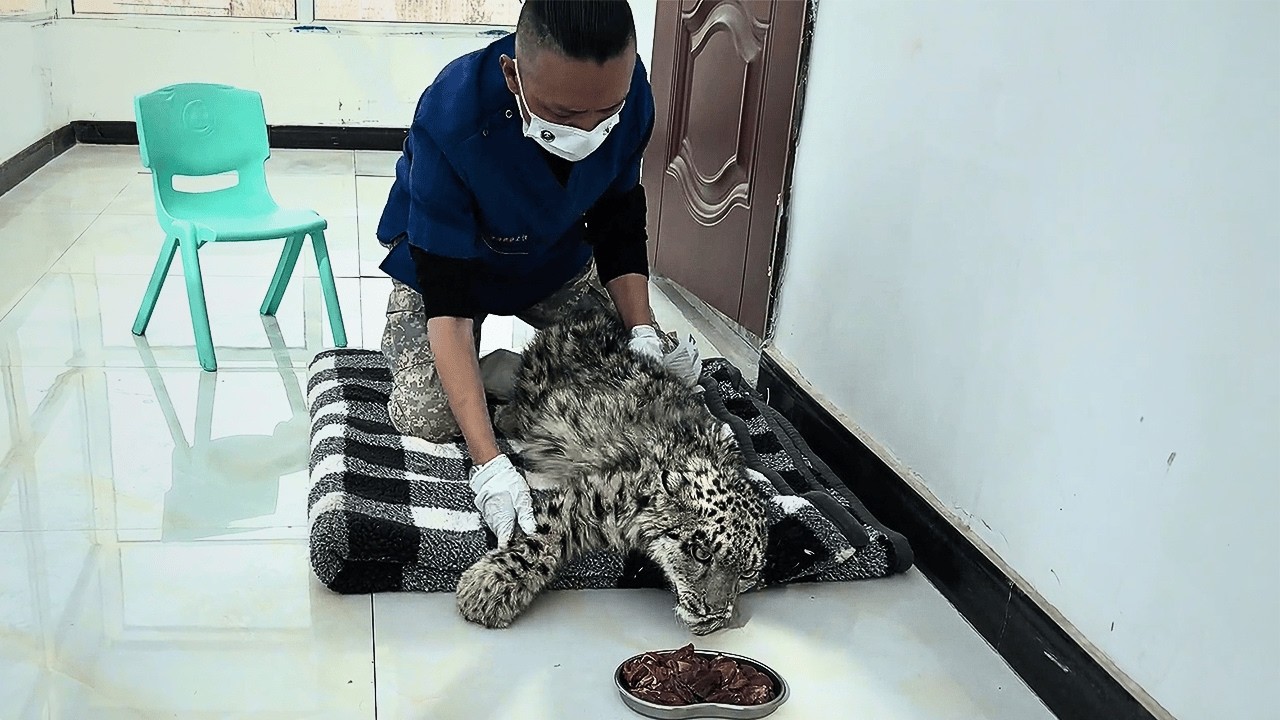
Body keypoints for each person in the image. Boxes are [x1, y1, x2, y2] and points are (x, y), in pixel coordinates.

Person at [375, 0, 699, 548]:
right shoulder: (452, 116)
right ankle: (492, 378)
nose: (589, 132)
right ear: (513, 77)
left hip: (552, 262)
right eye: (565, 115)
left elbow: (619, 217)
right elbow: (448, 303)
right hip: (452, 270)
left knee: (622, 384)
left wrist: (643, 333)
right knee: (426, 414)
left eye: (606, 113)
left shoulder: (630, 92)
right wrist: (489, 467)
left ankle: (505, 373)